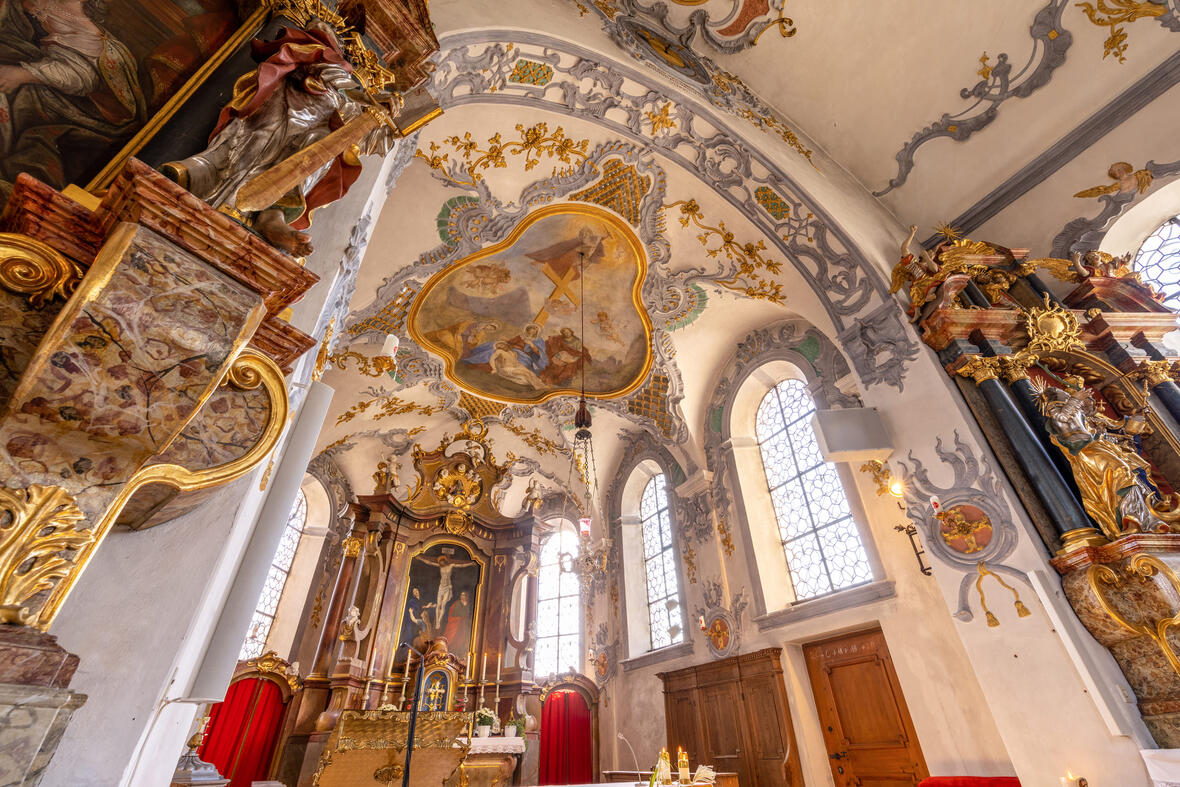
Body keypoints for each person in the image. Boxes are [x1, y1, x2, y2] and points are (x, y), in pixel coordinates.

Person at [161, 21, 396, 255]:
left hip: (314, 128)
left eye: (326, 27)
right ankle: (214, 189)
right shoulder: (321, 56)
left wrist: (380, 115)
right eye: (319, 26)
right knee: (256, 144)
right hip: (285, 107)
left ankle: (271, 217)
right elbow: (331, 74)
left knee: (316, 155)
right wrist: (368, 99)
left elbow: (361, 127)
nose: (322, 28)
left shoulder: (341, 93)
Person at [0, 0, 145, 207]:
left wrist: (24, 74)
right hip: (48, 83)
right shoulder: (50, 7)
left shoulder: (89, 33)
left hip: (80, 111)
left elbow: (82, 77)